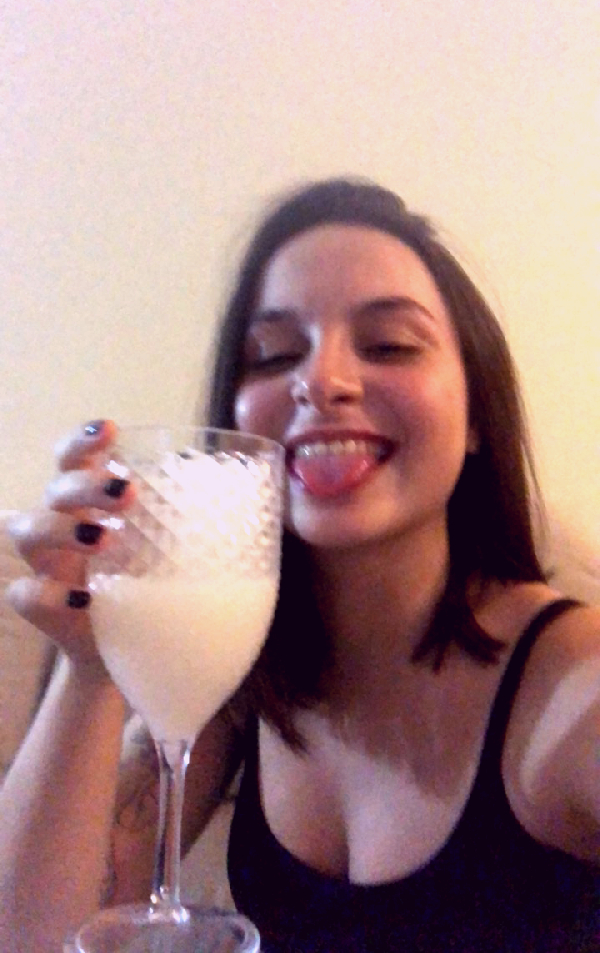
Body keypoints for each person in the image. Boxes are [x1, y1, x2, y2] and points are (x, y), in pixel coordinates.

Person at [0, 178, 598, 953]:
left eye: (389, 344)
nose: (320, 381)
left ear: (478, 411)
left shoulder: (572, 687)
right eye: (274, 355)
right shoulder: (238, 670)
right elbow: (41, 937)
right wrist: (92, 665)